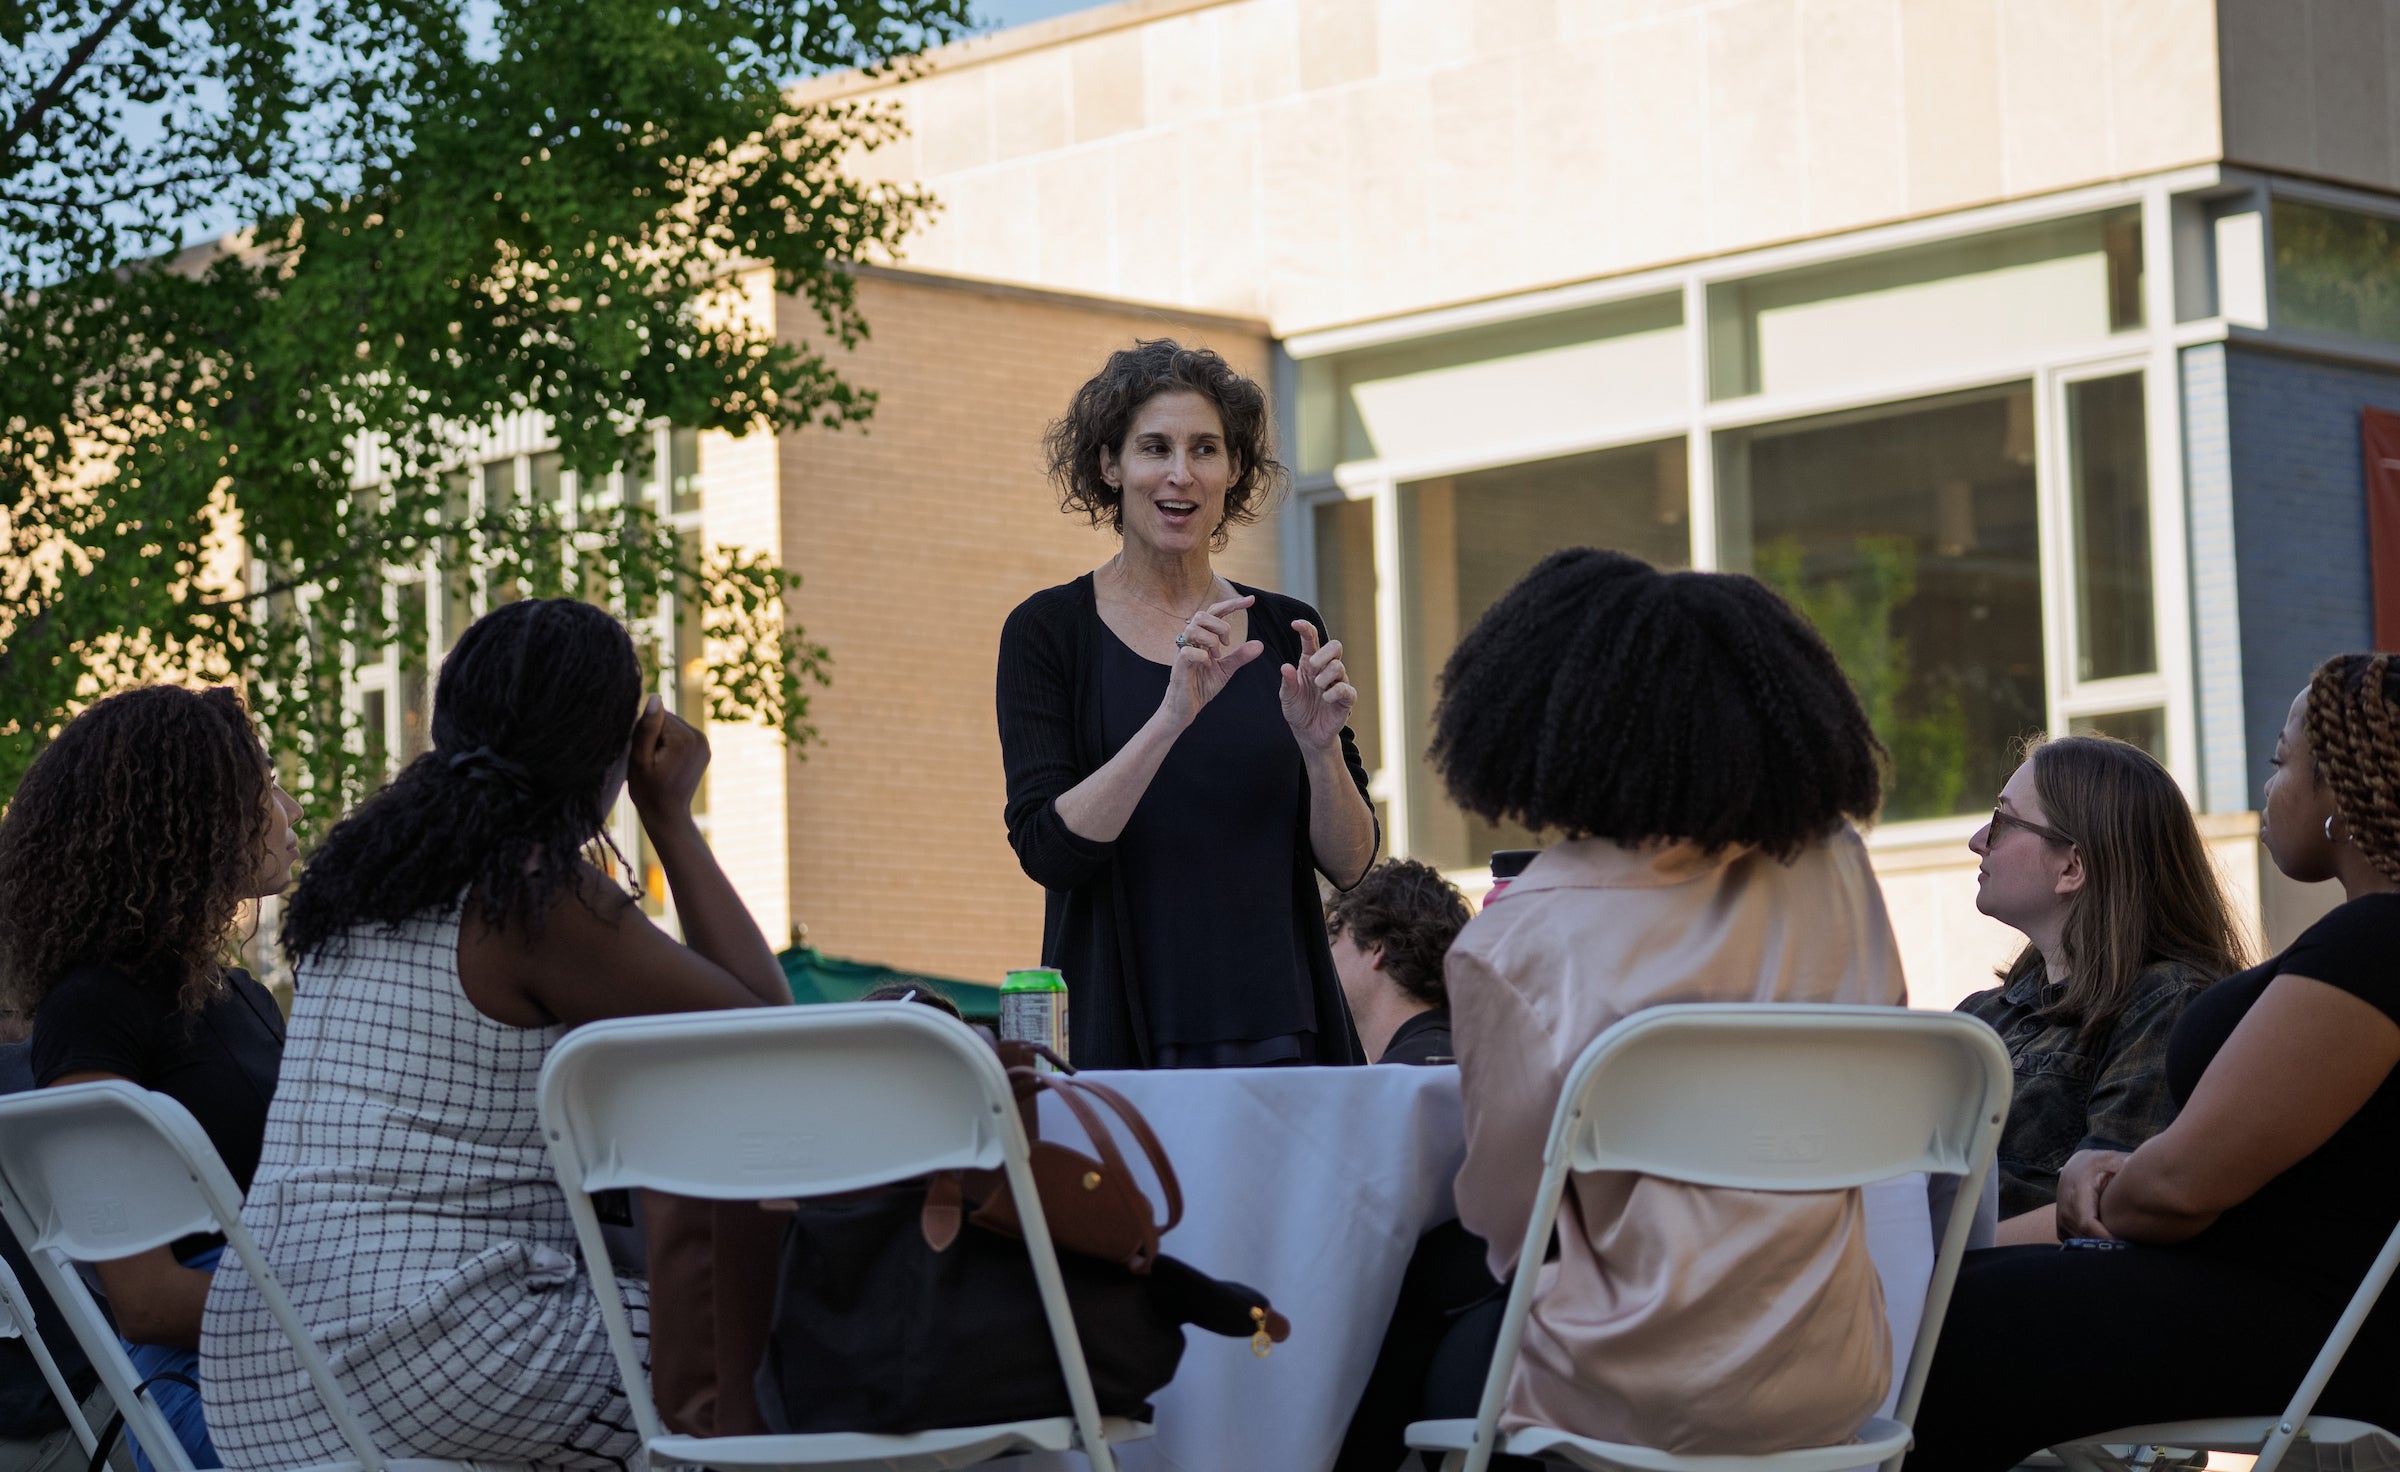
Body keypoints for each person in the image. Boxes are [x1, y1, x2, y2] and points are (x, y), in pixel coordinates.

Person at [199, 598, 791, 1471]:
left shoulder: (361, 881)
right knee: (779, 1344)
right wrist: (670, 817)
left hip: (260, 1361)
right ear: (605, 757)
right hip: (428, 1351)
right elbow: (772, 1043)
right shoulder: (532, 892)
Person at [1427, 548, 1906, 1457]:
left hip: (1622, 1395)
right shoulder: (1838, 870)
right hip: (1837, 1375)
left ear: (1543, 718)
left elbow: (1508, 1223)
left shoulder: (1514, 939)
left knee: (1417, 1324)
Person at [1908, 653, 2400, 1469]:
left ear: (2340, 802)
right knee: (1911, 1318)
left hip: (2307, 1328)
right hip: (2279, 1310)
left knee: (1928, 1329)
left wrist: (2101, 1180)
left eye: (2281, 765)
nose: (2267, 789)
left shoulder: (2374, 943)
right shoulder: (2366, 942)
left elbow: (2177, 1187)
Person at [997, 339, 1377, 1069]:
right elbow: (1048, 849)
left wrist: (1321, 750)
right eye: (1154, 448)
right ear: (1109, 465)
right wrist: (1171, 718)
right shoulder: (1049, 631)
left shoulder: (1282, 625)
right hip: (1124, 1030)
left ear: (1235, 470)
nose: (1181, 474)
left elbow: (1352, 862)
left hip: (1283, 1033)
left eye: (1206, 449)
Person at [0, 685, 300, 1472]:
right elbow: (144, 1300)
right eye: (263, 783)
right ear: (194, 815)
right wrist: (355, 1312)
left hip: (290, 1357)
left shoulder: (238, 993)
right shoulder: (94, 1009)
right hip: (215, 1388)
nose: (290, 807)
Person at [1958, 735, 2247, 1245]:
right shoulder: (1983, 1017)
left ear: (2071, 866)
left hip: (2025, 1306)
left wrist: (1928, 1263)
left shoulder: (2168, 1003)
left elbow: (2104, 1211)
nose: (1978, 839)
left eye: (2002, 821)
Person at [1326, 859, 1472, 1066]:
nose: (1326, 962)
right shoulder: (1463, 1056)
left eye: (1332, 942)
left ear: (1376, 946)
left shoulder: (1415, 1074)